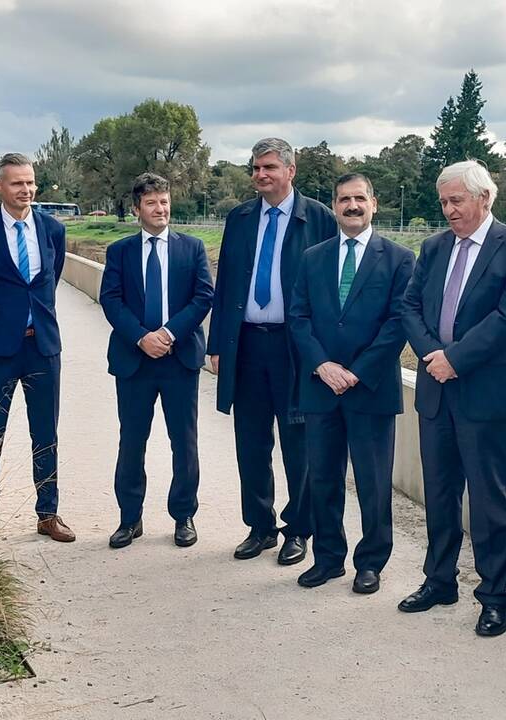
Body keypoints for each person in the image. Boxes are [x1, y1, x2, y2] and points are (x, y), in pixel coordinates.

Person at [398, 160, 506, 637]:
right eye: (444, 202)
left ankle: (495, 596)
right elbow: (409, 306)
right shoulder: (434, 247)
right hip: (436, 389)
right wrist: (431, 354)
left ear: (484, 198)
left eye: (456, 200)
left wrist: (454, 358)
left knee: (488, 499)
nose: (449, 210)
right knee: (438, 495)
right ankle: (439, 581)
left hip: (484, 391)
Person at [206, 138, 337, 565]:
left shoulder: (318, 218)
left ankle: (299, 528)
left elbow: (331, 288)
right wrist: (217, 343)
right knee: (251, 440)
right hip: (246, 344)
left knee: (299, 442)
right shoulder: (241, 217)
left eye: (269, 168)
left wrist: (326, 353)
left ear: (290, 170)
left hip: (294, 347)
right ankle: (259, 526)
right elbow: (225, 282)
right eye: (256, 168)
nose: (261, 175)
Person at [288, 173, 414, 593]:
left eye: (360, 198)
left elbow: (399, 323)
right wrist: (323, 366)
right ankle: (327, 559)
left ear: (374, 204)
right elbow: (299, 318)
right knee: (322, 478)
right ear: (335, 204)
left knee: (373, 481)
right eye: (344, 199)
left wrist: (357, 371)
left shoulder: (398, 259)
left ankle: (371, 562)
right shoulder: (313, 257)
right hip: (321, 388)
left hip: (371, 389)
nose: (352, 205)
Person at [0, 152, 74, 543]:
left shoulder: (52, 230)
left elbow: (48, 281)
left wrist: (31, 319)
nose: (26, 190)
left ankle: (48, 513)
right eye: (17, 183)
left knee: (46, 433)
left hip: (41, 346)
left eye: (30, 182)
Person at [99, 172, 213, 549]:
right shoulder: (120, 252)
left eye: (164, 202)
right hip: (134, 361)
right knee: (131, 440)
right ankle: (130, 519)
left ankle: (184, 515)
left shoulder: (192, 248)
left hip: (179, 359)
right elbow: (111, 300)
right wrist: (141, 337)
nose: (160, 208)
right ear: (137, 209)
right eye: (151, 203)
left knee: (184, 441)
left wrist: (167, 335)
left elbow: (203, 297)